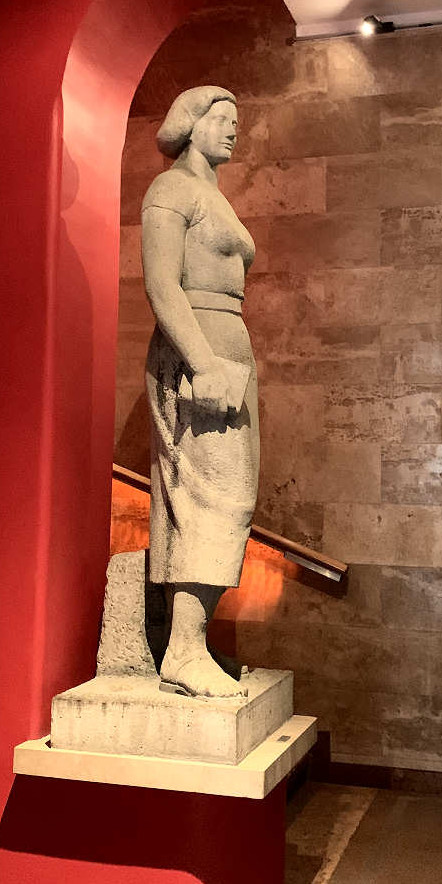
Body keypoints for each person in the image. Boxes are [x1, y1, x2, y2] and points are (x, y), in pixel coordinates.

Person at [142, 85, 258, 697]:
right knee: (211, 492)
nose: (234, 130)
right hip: (199, 347)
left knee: (234, 495)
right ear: (190, 124)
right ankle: (183, 649)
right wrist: (203, 362)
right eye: (222, 119)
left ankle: (191, 639)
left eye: (237, 121)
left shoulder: (215, 197)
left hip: (228, 343)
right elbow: (162, 285)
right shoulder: (171, 189)